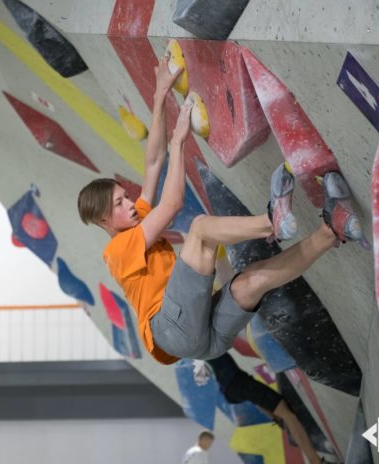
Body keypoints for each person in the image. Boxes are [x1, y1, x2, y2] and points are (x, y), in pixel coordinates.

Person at [77, 54, 362, 365]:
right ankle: (271, 221)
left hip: (202, 341)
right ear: (103, 220)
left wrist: (160, 95)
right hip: (172, 330)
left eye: (125, 197)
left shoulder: (137, 223)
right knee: (200, 230)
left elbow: (154, 161)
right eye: (119, 204)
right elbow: (172, 203)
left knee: (253, 281)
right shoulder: (117, 251)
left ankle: (331, 230)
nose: (131, 204)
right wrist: (179, 142)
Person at [205, 353, 337, 464]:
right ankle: (316, 461)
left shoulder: (201, 348)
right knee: (288, 415)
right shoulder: (205, 341)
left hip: (230, 389)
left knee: (264, 402)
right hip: (238, 382)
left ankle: (280, 421)